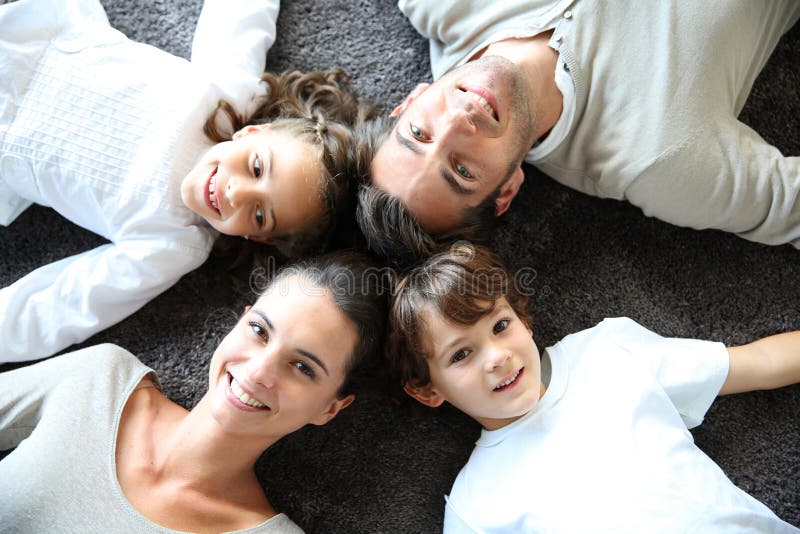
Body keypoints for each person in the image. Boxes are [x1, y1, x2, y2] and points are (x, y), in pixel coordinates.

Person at [0, 0, 373, 363]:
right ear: (254, 132)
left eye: (260, 215)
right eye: (257, 168)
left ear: (256, 237)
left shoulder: (175, 243)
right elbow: (239, 15)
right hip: (34, 36)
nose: (236, 192)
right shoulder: (229, 98)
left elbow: (66, 303)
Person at [386, 243, 800, 532]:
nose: (496, 357)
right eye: (461, 355)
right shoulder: (475, 507)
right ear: (427, 390)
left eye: (500, 326)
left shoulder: (604, 353)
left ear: (525, 323)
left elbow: (758, 363)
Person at [360, 0, 800, 263]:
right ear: (507, 190)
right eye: (461, 169)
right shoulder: (655, 159)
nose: (458, 121)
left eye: (418, 133)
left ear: (409, 101)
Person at [0, 251, 387, 533]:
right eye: (259, 331)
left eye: (302, 368)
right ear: (240, 320)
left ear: (331, 408)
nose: (258, 371)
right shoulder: (99, 377)